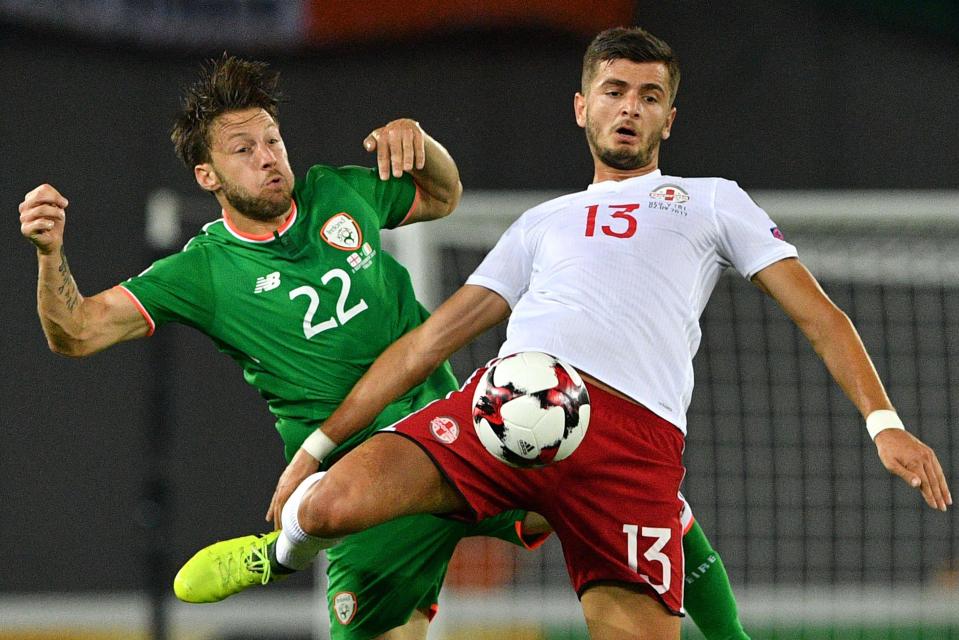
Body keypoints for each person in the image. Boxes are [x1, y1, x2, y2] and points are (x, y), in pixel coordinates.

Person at [175, 27, 953, 639]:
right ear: (582, 107)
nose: (629, 107)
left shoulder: (711, 201)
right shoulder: (540, 224)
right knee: (327, 506)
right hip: (505, 407)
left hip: (629, 441)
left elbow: (820, 314)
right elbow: (423, 346)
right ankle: (272, 557)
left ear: (668, 118)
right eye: (613, 91)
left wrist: (883, 423)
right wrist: (311, 452)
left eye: (648, 97)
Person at [18, 51, 752, 640]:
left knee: (636, 494)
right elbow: (77, 333)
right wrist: (52, 257)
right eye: (244, 150)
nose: (269, 158)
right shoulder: (200, 272)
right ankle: (276, 555)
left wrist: (420, 143)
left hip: (465, 433)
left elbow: (442, 196)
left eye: (272, 139)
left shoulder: (340, 192)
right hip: (360, 477)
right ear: (208, 176)